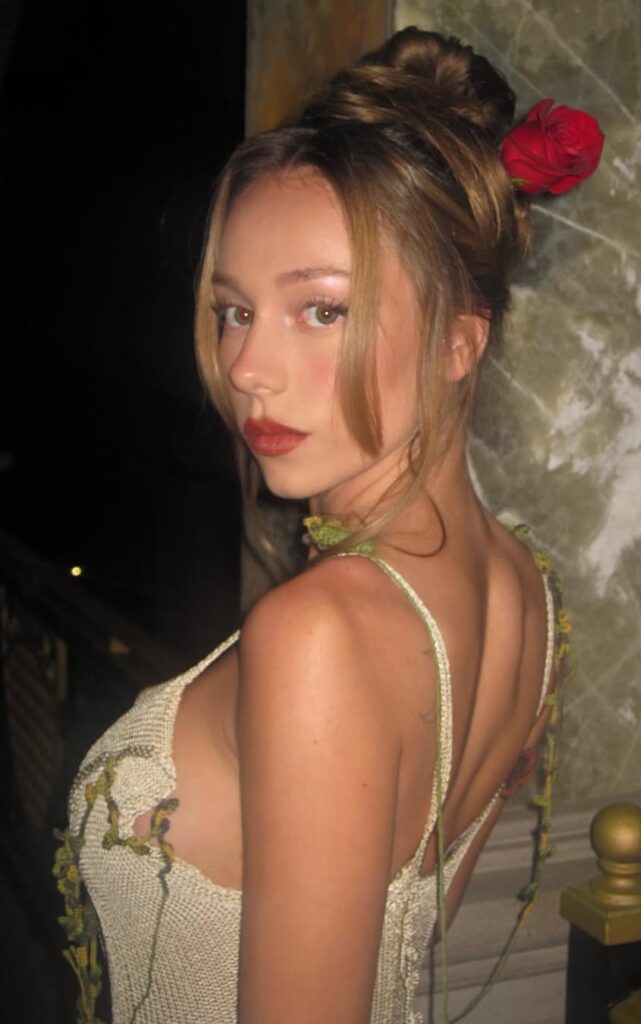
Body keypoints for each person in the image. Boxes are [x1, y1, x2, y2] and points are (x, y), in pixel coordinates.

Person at [55, 26, 599, 1024]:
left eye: (321, 311)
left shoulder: (320, 635)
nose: (246, 367)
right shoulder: (530, 592)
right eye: (234, 310)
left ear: (459, 342)